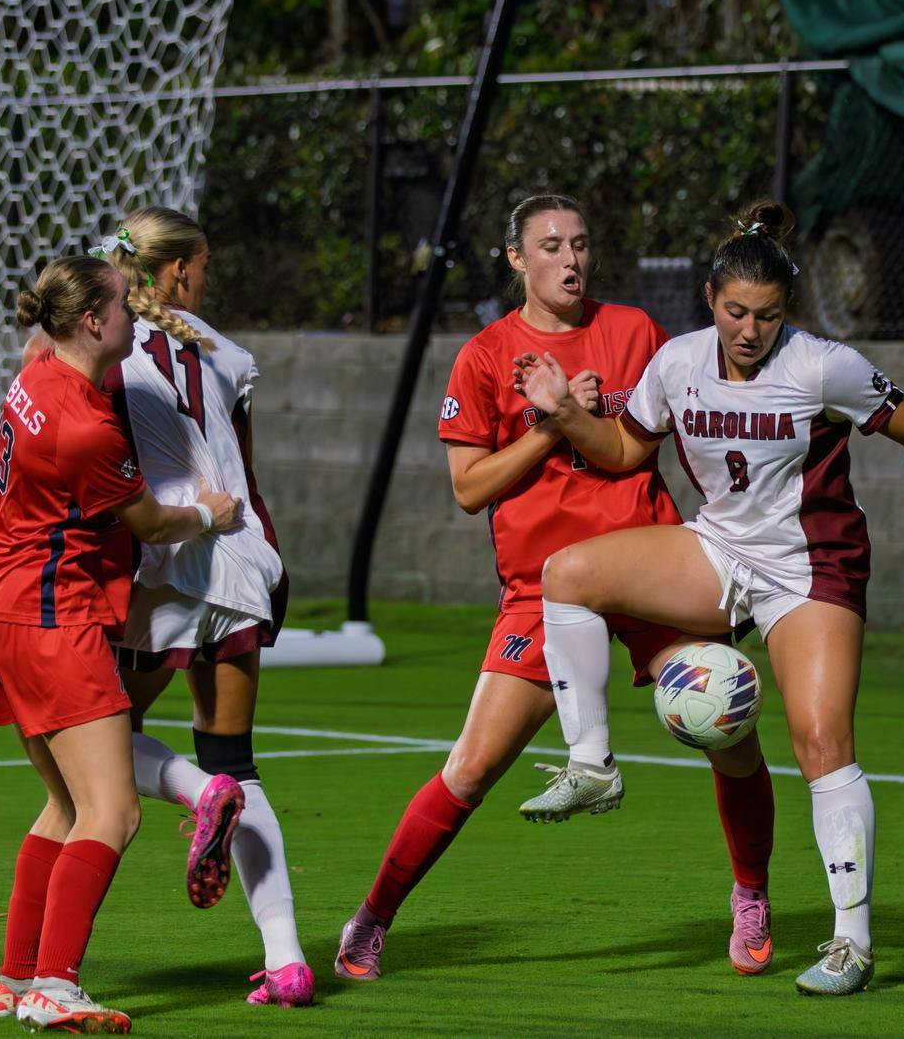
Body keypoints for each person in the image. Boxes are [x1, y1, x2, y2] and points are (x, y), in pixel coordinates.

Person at [334, 194, 781, 980]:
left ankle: (751, 894)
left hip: (644, 568)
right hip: (542, 591)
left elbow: (652, 443)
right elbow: (469, 489)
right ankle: (372, 916)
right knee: (471, 767)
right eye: (549, 245)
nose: (570, 259)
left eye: (579, 242)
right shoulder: (484, 357)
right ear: (516, 258)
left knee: (730, 727)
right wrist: (549, 424)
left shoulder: (634, 332)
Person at [518, 202, 904, 996]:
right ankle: (592, 763)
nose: (751, 330)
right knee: (568, 573)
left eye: (768, 315)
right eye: (737, 311)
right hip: (720, 549)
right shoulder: (678, 361)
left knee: (821, 740)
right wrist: (571, 415)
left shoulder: (823, 366)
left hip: (809, 567)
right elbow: (626, 447)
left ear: (789, 311)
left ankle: (851, 944)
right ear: (710, 297)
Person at [30, 207, 311, 1007]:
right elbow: (246, 476)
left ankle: (193, 791)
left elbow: (104, 472)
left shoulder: (105, 349)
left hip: (169, 568)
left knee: (86, 746)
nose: (206, 279)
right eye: (204, 265)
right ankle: (287, 959)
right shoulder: (228, 353)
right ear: (180, 270)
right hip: (246, 567)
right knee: (239, 759)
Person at [0, 254, 239, 1034]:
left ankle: (16, 977)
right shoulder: (87, 428)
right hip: (48, 618)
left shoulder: (38, 368)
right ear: (92, 321)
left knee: (65, 803)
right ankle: (55, 984)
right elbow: (150, 522)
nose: (136, 316)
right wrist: (210, 513)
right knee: (112, 811)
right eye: (124, 305)